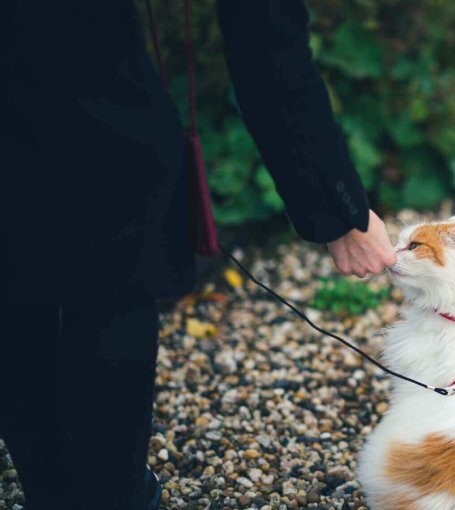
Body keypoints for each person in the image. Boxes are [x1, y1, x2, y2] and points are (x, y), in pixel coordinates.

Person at [0, 1, 395, 509]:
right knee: (111, 276)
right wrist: (341, 212)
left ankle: (52, 492)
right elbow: (264, 37)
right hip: (93, 92)